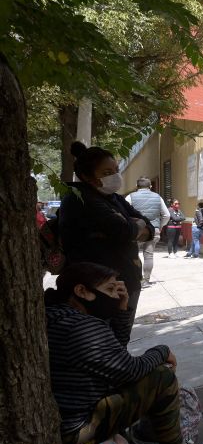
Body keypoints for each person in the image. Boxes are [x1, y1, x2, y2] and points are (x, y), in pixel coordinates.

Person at [44, 262, 203, 444]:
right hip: (76, 429)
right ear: (81, 291)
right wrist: (161, 351)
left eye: (118, 290)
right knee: (161, 376)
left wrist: (122, 310)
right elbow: (130, 370)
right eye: (109, 290)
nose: (115, 297)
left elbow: (115, 353)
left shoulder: (58, 315)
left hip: (64, 419)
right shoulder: (81, 327)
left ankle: (147, 437)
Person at [59, 141, 154, 331]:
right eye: (106, 173)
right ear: (86, 177)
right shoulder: (80, 200)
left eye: (116, 170)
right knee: (104, 342)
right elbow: (125, 231)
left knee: (121, 338)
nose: (115, 176)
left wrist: (135, 226)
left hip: (127, 281)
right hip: (97, 290)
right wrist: (132, 227)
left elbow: (149, 228)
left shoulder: (114, 199)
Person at [126, 177, 170, 287]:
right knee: (149, 256)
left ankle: (137, 279)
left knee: (133, 255)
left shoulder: (130, 197)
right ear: (150, 186)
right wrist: (159, 226)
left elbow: (124, 213)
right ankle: (146, 280)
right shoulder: (158, 197)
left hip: (136, 231)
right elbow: (167, 215)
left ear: (137, 186)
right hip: (153, 230)